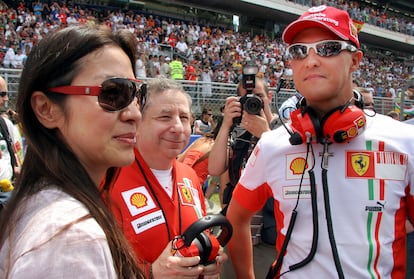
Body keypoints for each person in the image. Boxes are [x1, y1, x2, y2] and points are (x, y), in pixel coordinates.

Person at [226, 5, 414, 278]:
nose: (311, 60)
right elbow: (236, 219)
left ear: (356, 60)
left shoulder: (405, 141)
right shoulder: (272, 145)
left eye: (328, 48)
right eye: (299, 51)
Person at [0, 25, 146, 278]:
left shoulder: (47, 212)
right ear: (46, 109)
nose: (134, 114)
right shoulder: (70, 239)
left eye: (137, 95)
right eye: (113, 93)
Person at [106, 77, 227, 278]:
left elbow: (200, 236)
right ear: (138, 121)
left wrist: (208, 261)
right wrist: (151, 273)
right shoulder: (108, 181)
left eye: (184, 118)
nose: (178, 127)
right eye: (165, 117)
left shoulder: (190, 176)